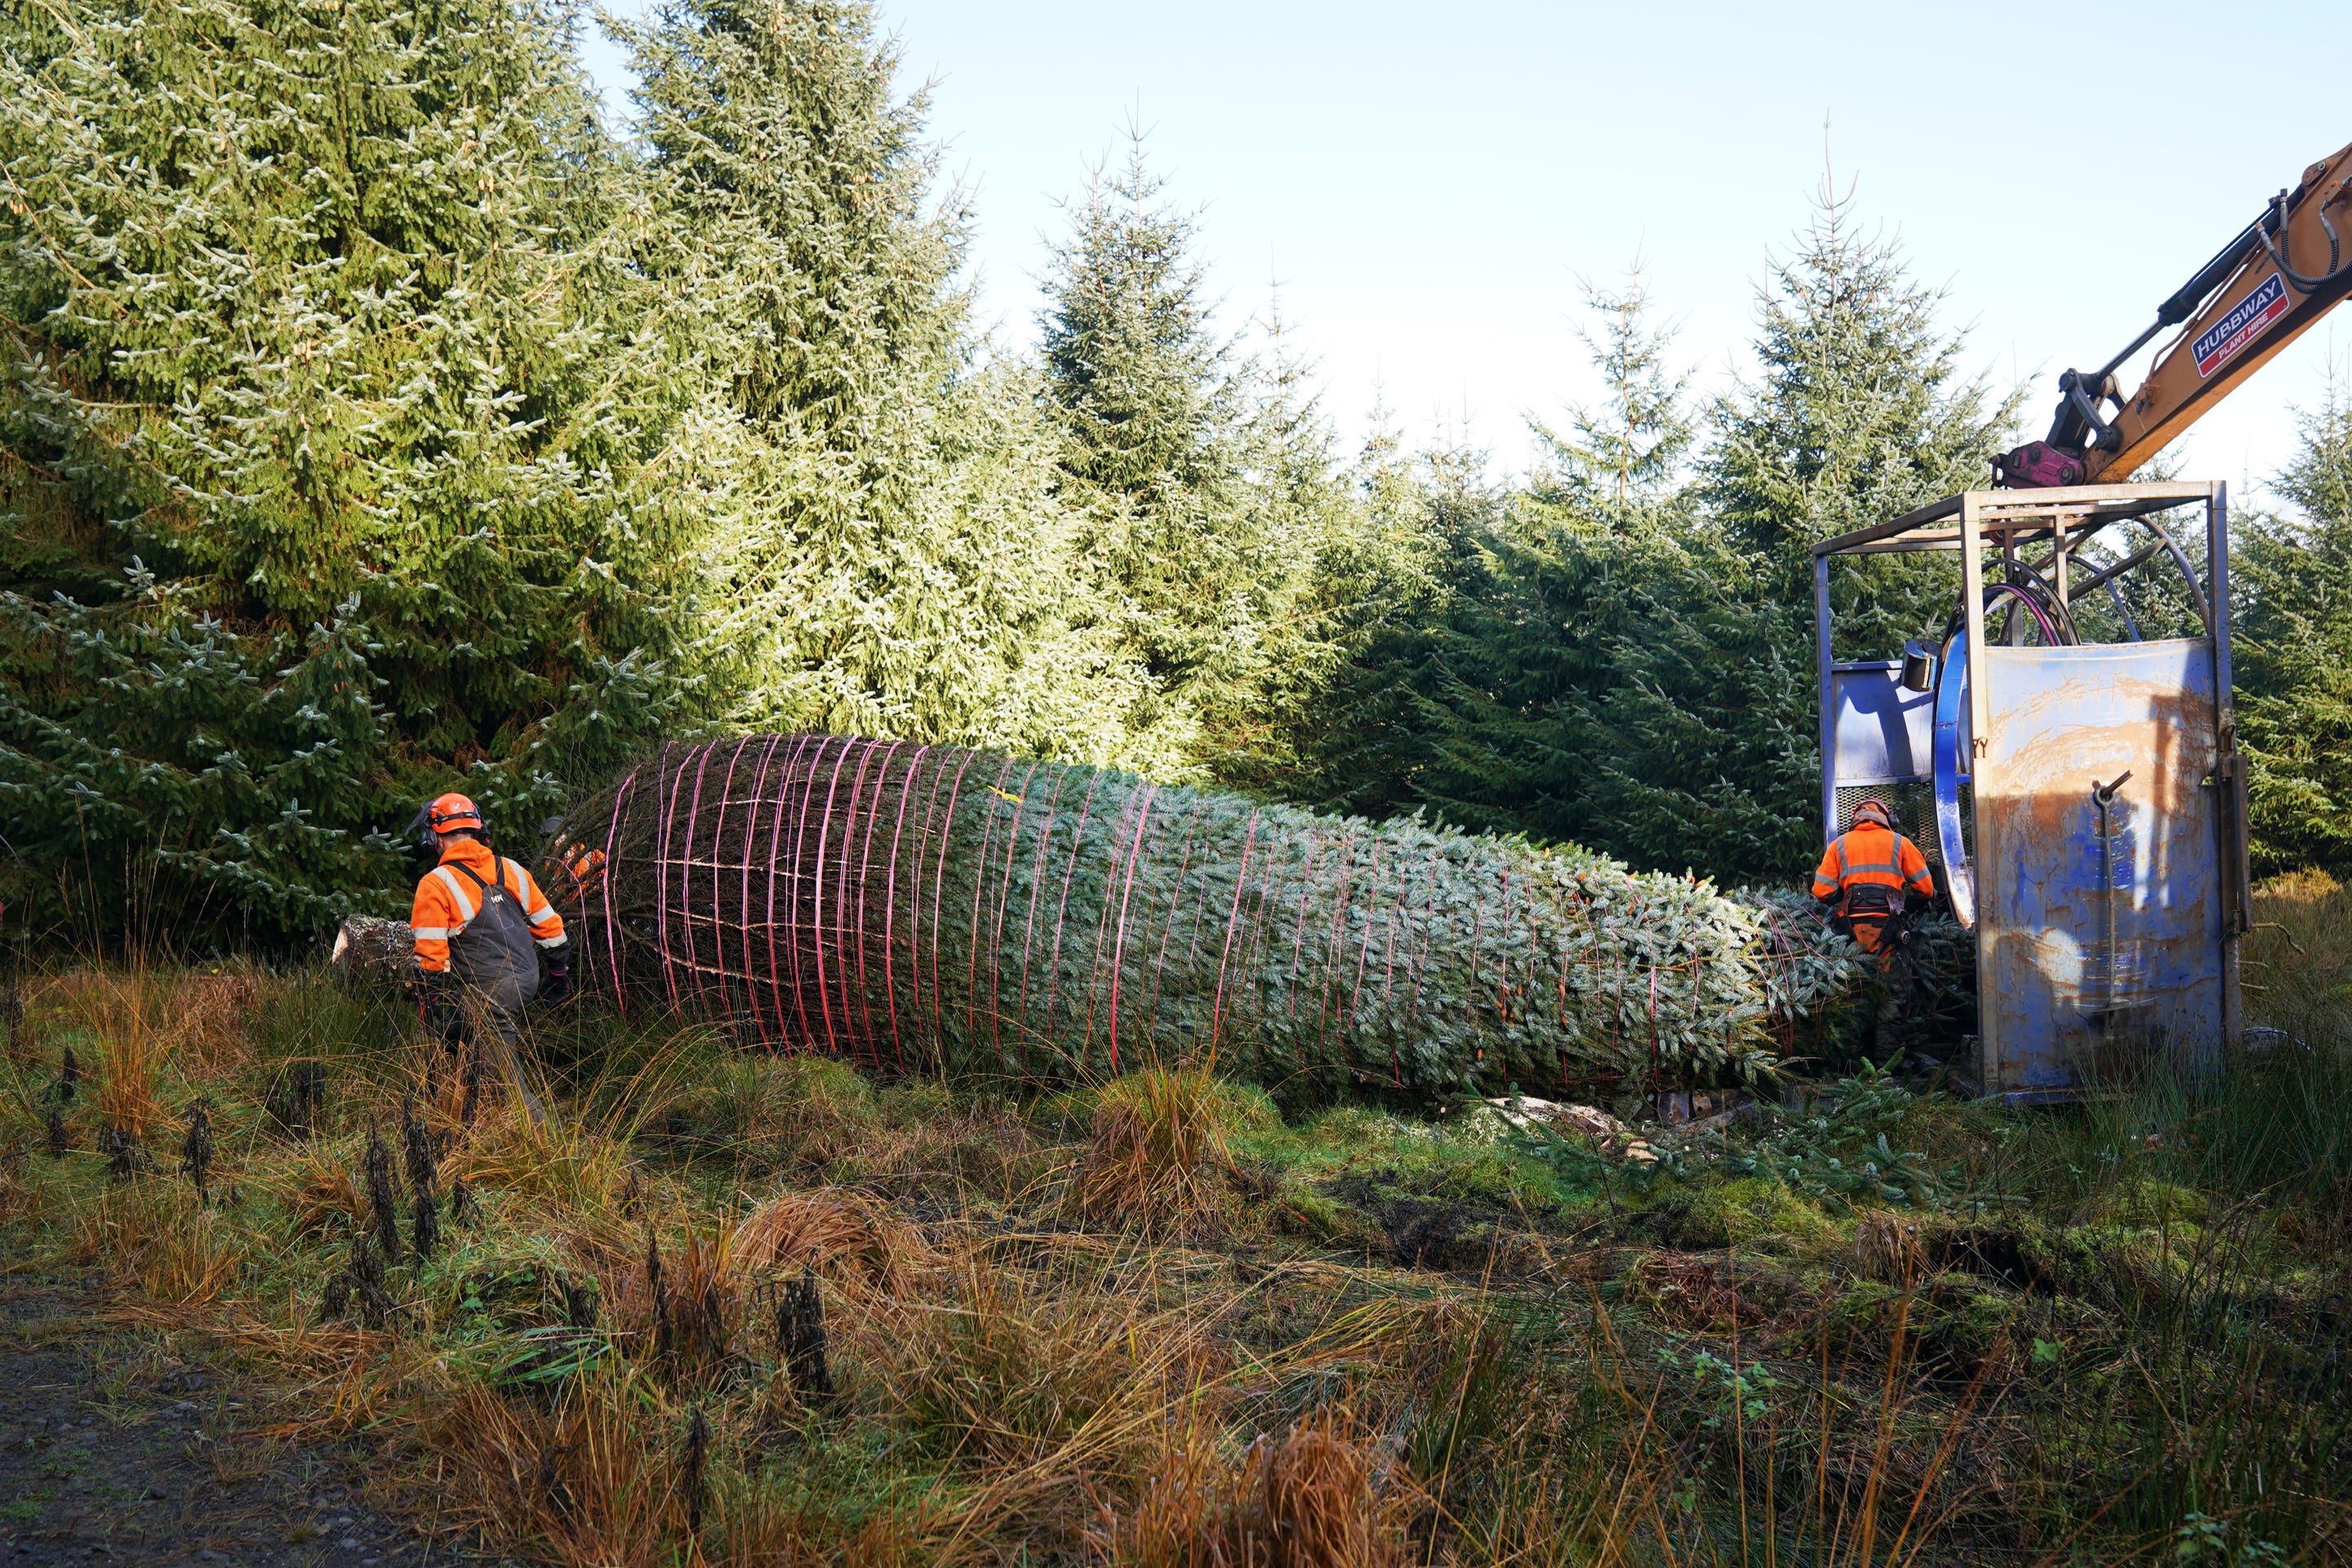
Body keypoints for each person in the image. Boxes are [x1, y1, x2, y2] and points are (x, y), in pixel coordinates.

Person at [407, 793, 570, 1121]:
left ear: (433, 837)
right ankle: (468, 1116)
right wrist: (558, 976)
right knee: (456, 1031)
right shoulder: (511, 869)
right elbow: (552, 930)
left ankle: (546, 1141)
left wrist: (429, 998)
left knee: (505, 1081)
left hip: (491, 992)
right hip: (527, 980)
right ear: (477, 828)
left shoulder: (435, 884)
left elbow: (430, 960)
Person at [1810, 798, 1936, 1062]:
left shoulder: (1839, 845)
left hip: (1850, 932)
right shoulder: (1900, 843)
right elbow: (1925, 889)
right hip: (1888, 932)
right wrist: (1909, 901)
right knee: (1891, 995)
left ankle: (1850, 1065)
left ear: (1856, 819)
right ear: (1887, 820)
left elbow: (1821, 891)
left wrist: (1846, 897)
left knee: (1853, 993)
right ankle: (1885, 1064)